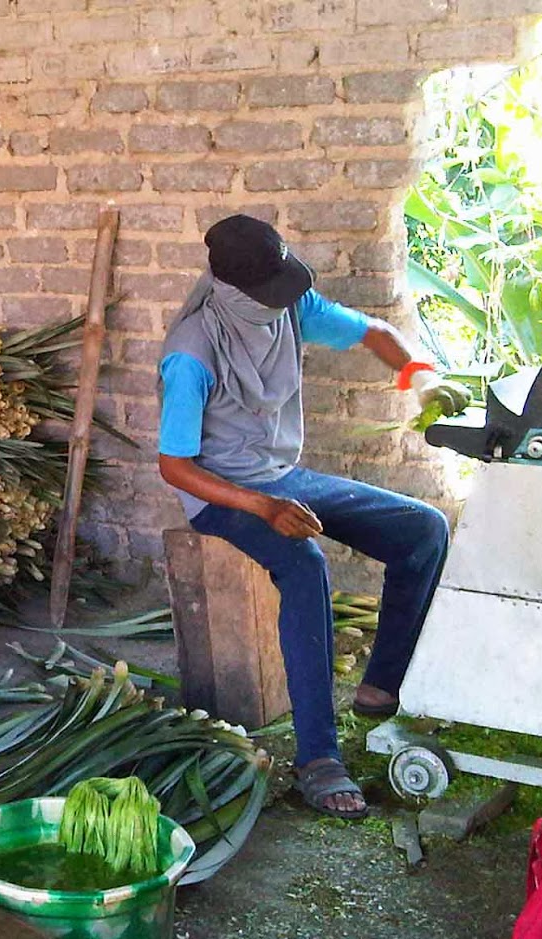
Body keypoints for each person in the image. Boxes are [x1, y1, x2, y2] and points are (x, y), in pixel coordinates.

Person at [157, 214, 471, 819]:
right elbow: (174, 466)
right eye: (270, 291)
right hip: (220, 495)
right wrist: (262, 507)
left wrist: (422, 379)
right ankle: (318, 759)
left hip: (281, 480)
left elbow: (373, 333)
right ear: (233, 291)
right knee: (304, 564)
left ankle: (380, 688)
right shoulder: (191, 352)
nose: (283, 300)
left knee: (423, 530)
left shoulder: (287, 307)